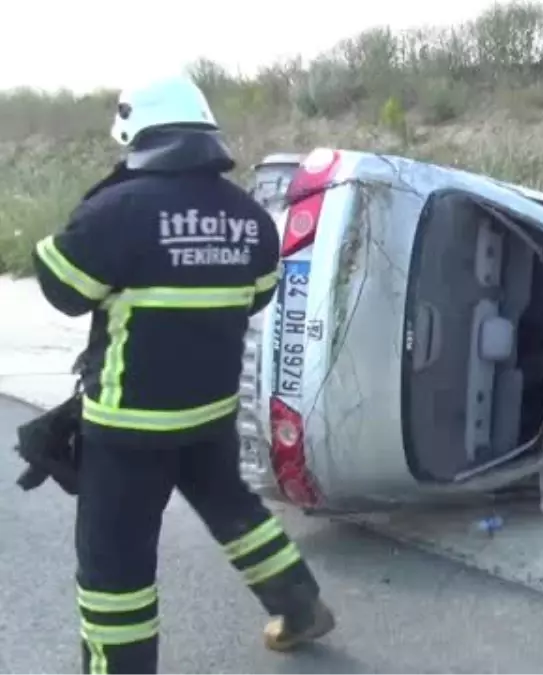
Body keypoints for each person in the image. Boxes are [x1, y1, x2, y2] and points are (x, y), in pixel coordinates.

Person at [30, 73, 335, 675]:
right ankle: (300, 608)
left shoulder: (116, 211)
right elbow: (255, 298)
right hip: (208, 416)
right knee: (235, 512)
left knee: (114, 567)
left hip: (127, 427)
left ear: (135, 134)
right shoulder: (252, 220)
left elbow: (63, 291)